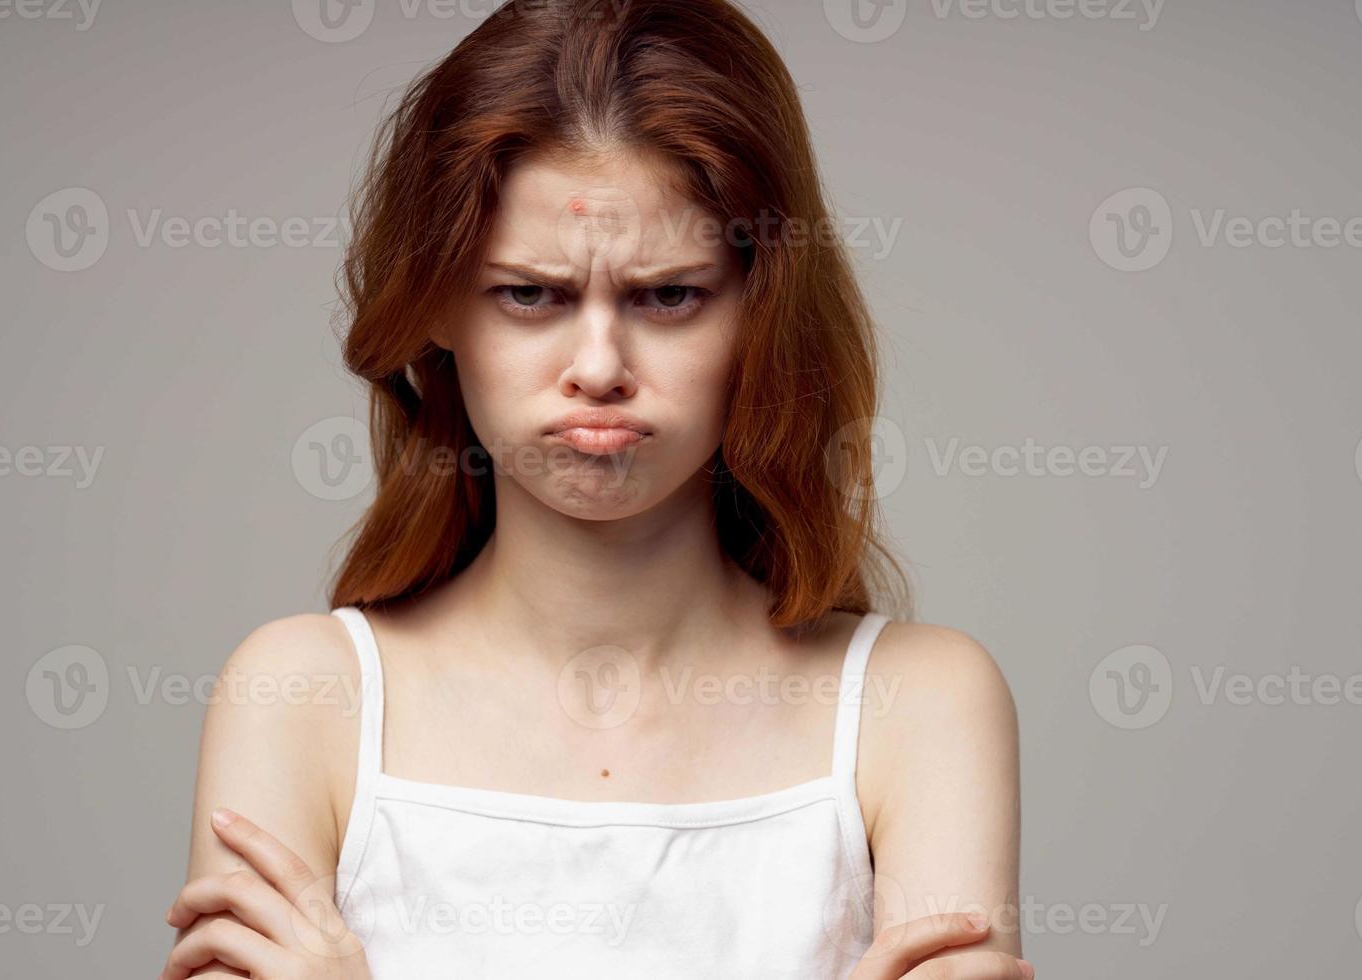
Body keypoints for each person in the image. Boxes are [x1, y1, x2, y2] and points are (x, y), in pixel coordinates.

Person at [161, 1, 1025, 977]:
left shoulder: (922, 704)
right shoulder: (300, 696)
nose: (600, 365)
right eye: (531, 294)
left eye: (669, 294)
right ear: (438, 301)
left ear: (762, 311)